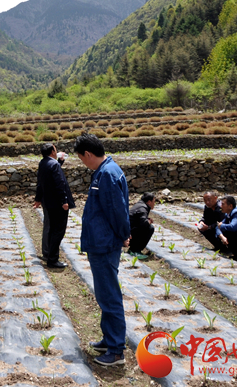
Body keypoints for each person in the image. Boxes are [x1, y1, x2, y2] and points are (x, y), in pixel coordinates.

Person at [75, 133, 130, 367]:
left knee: (109, 296)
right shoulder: (105, 171)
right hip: (101, 242)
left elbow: (117, 210)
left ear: (88, 154)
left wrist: (123, 234)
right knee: (104, 294)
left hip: (105, 243)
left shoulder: (107, 174)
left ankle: (116, 350)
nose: (82, 163)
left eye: (81, 159)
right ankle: (109, 339)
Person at [33, 143, 74, 269]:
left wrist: (38, 198)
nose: (56, 152)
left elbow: (41, 182)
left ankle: (50, 256)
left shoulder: (43, 163)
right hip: (57, 203)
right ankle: (53, 260)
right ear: (52, 151)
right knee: (58, 231)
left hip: (48, 202)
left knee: (51, 229)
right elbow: (59, 184)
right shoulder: (54, 164)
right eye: (55, 150)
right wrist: (64, 201)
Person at [128, 192, 156, 258]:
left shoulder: (140, 205)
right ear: (149, 202)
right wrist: (148, 221)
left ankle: (132, 249)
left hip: (129, 229)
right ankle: (135, 250)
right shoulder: (142, 208)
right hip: (129, 232)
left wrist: (147, 219)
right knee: (150, 228)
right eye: (154, 201)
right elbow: (144, 223)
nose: (154, 204)